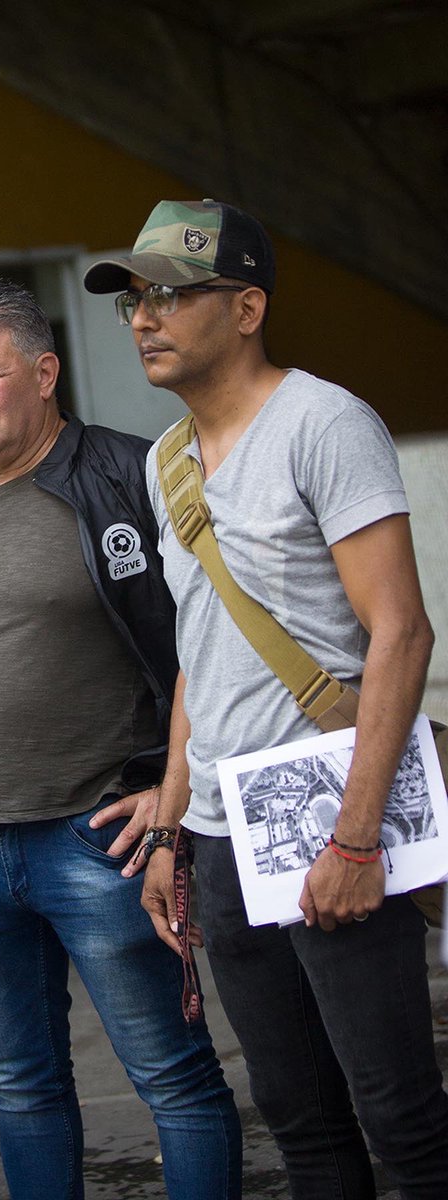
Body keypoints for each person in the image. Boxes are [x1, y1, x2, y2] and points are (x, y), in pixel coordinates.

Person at [84, 198, 448, 1198]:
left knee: (399, 1113)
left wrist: (358, 838)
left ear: (246, 307)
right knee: (299, 1118)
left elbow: (402, 634)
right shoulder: (166, 463)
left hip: (333, 811)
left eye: (168, 294)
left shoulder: (323, 422)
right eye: (133, 300)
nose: (143, 318)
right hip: (221, 831)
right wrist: (172, 825)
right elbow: (203, 654)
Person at [0, 280, 242, 1200]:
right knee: (21, 1087)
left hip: (102, 841)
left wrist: (178, 784)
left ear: (43, 373)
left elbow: (209, 641)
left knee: (175, 1080)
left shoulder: (135, 475)